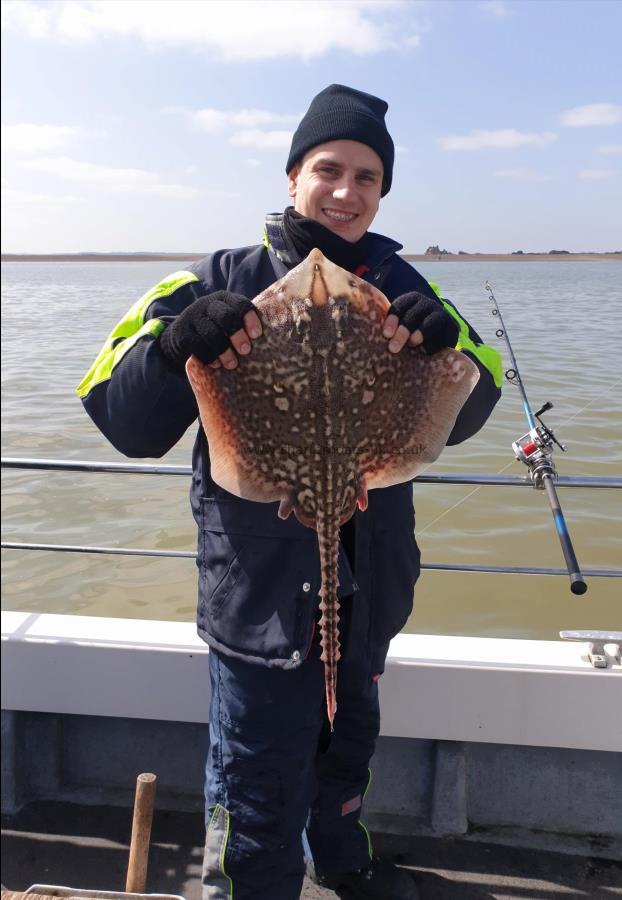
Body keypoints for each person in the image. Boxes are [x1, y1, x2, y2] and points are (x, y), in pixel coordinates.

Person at [78, 84, 501, 900]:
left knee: (346, 757)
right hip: (260, 601)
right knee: (256, 787)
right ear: (291, 176)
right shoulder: (214, 278)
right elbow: (119, 417)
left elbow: (475, 398)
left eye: (366, 178)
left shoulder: (406, 283)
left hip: (369, 591)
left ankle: (342, 869)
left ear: (382, 193)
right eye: (328, 170)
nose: (346, 193)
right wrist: (176, 348)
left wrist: (441, 340)